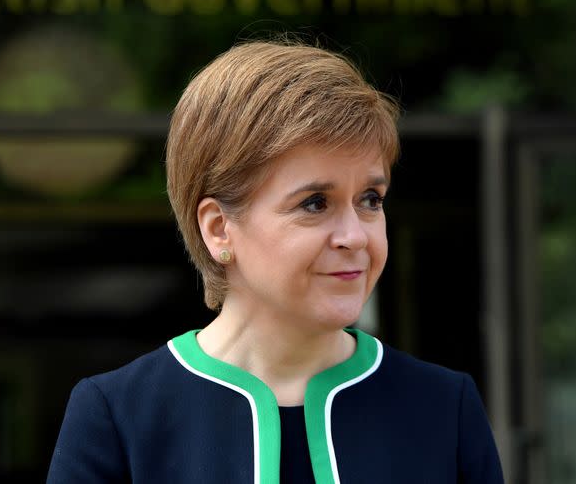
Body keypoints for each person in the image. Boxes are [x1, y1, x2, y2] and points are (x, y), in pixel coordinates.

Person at [46, 41, 504, 483]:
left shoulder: (445, 408)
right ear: (219, 229)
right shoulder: (115, 417)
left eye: (370, 199)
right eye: (314, 203)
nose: (355, 236)